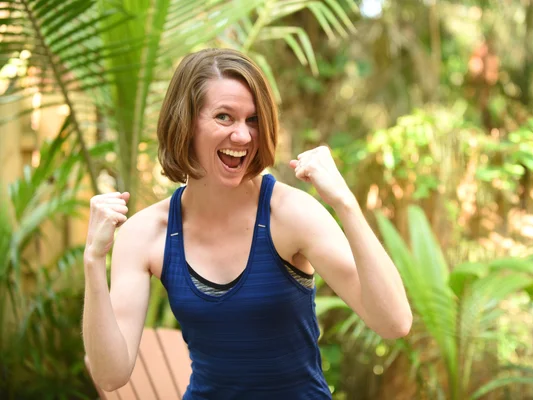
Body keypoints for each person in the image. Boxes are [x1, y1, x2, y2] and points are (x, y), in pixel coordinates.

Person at [82, 48, 412, 399]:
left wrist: (345, 204)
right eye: (224, 117)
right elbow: (110, 375)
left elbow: (394, 322)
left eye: (252, 120)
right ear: (186, 123)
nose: (243, 136)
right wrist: (93, 260)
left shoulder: (289, 214)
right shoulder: (147, 233)